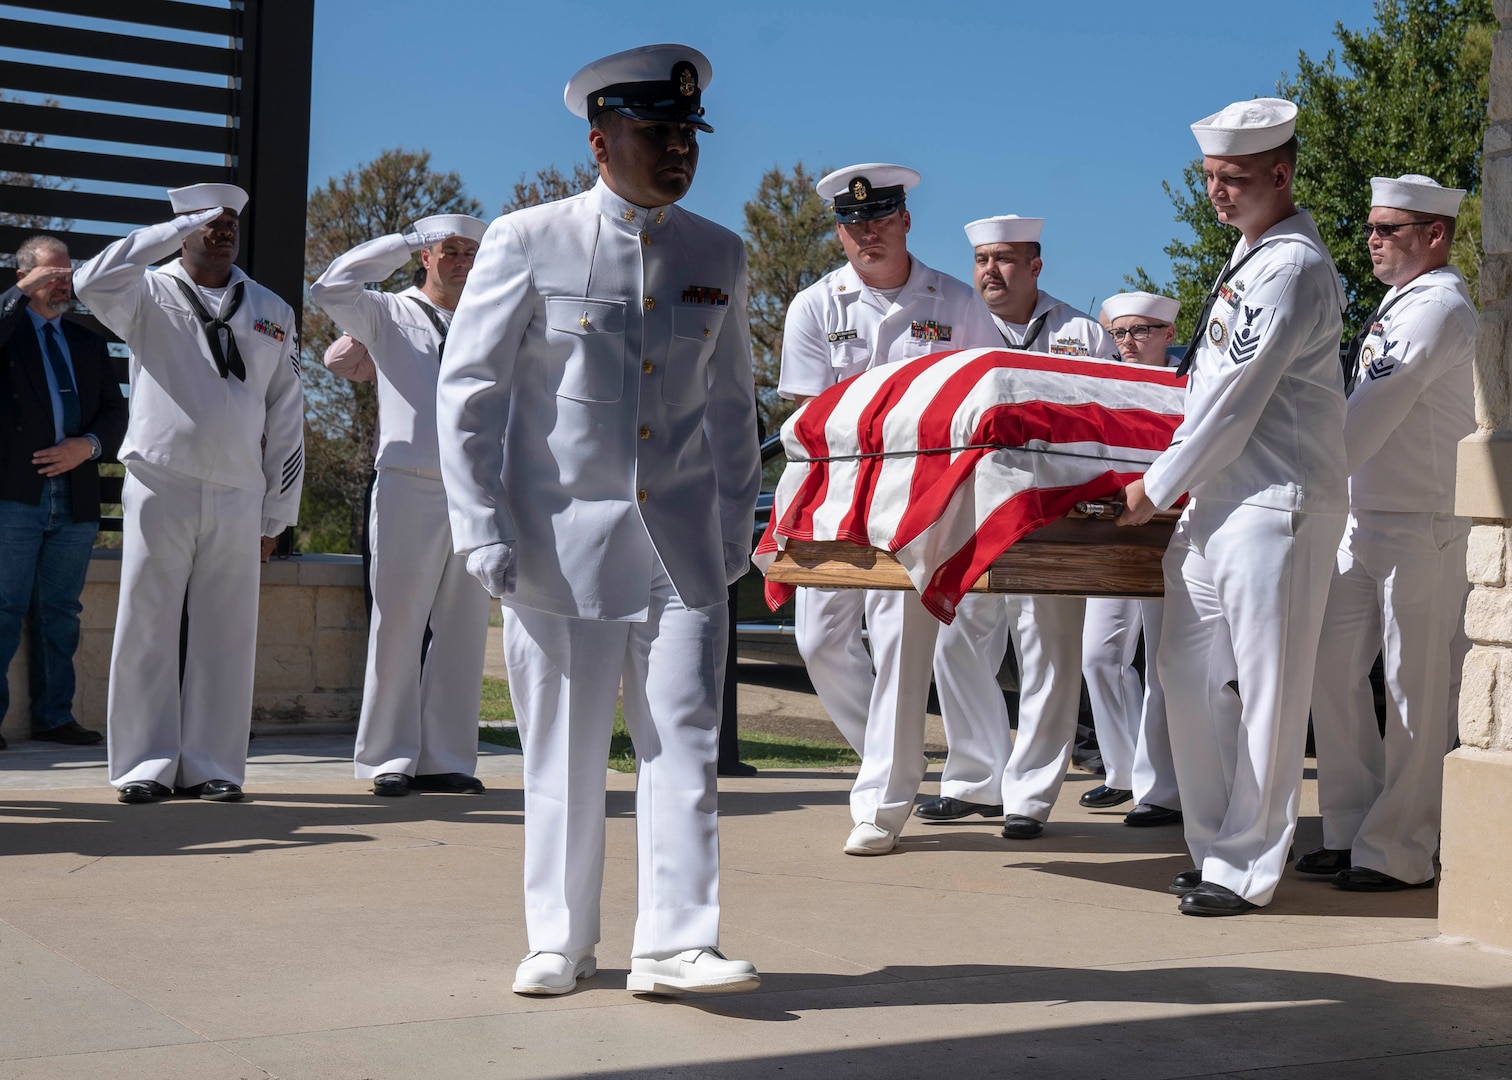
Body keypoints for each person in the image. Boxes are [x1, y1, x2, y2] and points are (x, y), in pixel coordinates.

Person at [436, 44, 762, 998]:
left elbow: (735, 404)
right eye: (655, 132)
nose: (677, 150)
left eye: (686, 133)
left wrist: (737, 525)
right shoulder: (527, 239)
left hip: (686, 544)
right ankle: (561, 938)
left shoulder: (719, 252)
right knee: (564, 751)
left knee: (686, 738)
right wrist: (479, 525)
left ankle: (674, 943)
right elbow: (472, 393)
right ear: (598, 139)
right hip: (555, 542)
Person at [1117, 98, 1349, 916]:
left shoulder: (1291, 267)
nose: (1218, 192)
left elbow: (1235, 404)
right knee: (1184, 679)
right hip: (1217, 503)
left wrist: (1152, 486)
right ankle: (1216, 848)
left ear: (1281, 176)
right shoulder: (1248, 257)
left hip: (1274, 506)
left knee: (1268, 695)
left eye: (1236, 179)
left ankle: (1249, 867)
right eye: (1212, 177)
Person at [778, 164, 1001, 856]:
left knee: (905, 641)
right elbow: (808, 414)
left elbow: (979, 401)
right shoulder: (817, 306)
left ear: (906, 220)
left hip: (921, 492)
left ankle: (882, 798)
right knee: (819, 641)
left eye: (880, 218)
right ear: (840, 231)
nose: (866, 233)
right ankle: (892, 752)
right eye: (853, 222)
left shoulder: (957, 302)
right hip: (837, 490)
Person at [74, 183, 306, 804]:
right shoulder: (145, 292)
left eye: (231, 219)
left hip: (238, 490)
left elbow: (287, 413)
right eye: (209, 219)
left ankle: (212, 765)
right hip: (161, 480)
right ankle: (143, 766)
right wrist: (164, 236)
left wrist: (277, 512)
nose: (223, 228)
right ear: (182, 226)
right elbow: (88, 282)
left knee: (226, 633)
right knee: (146, 623)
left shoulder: (270, 308)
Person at [914, 215, 1119, 841]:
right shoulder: (956, 330)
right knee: (959, 641)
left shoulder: (1081, 332)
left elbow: (1105, 420)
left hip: (1054, 513)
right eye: (981, 260)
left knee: (1049, 652)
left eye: (1005, 259)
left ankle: (1029, 796)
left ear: (1035, 265)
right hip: (971, 510)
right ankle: (975, 779)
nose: (989, 272)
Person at [1303, 174, 1475, 892]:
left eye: (1390, 229)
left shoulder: (1440, 308)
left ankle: (1400, 848)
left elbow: (1367, 415)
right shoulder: (1398, 302)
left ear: (1435, 235)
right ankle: (1349, 827)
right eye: (1372, 228)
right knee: (1331, 673)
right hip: (1361, 517)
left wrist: (1296, 478)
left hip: (1422, 525)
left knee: (1413, 692)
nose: (1373, 239)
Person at [311, 215, 492, 798]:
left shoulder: (488, 318)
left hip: (475, 487)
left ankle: (446, 757)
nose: (462, 260)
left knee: (464, 628)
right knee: (398, 624)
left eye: (471, 251)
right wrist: (407, 238)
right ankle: (389, 756)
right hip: (408, 482)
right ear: (426, 257)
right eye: (450, 250)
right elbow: (332, 286)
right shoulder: (389, 312)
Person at [0, 236, 127, 749]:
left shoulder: (87, 341)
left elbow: (116, 413)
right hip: (14, 494)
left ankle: (54, 717)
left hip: (74, 494)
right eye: (50, 275)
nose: (63, 282)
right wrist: (13, 298)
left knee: (61, 611)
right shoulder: (8, 331)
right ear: (23, 279)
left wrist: (89, 446)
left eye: (67, 274)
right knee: (3, 607)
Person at [1079, 290, 1181, 827]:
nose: (1127, 343)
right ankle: (1121, 770)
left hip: (1171, 534)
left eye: (1140, 331)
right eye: (1119, 333)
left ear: (1168, 334)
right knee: (1098, 655)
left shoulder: (1191, 386)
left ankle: (1161, 786)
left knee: (1166, 665)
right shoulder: (1104, 386)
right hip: (1116, 533)